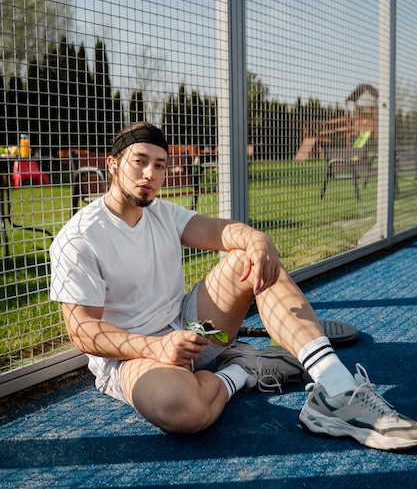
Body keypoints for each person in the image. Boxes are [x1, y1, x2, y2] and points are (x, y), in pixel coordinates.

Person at [50, 122, 417, 451]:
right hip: (134, 356)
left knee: (248, 257)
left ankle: (337, 390)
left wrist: (258, 239)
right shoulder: (79, 238)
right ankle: (242, 369)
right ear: (113, 165)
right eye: (139, 161)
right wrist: (157, 346)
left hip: (193, 329)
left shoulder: (162, 212)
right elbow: (82, 330)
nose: (150, 173)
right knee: (184, 411)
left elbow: (221, 231)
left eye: (159, 164)